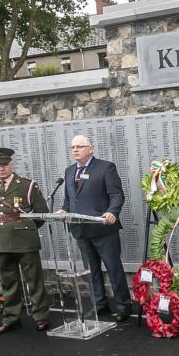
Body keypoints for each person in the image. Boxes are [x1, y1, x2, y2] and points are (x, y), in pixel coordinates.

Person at [0, 148, 50, 335]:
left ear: (11, 164)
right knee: (8, 282)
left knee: (33, 280)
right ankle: (11, 318)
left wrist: (24, 228)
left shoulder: (27, 185)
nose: (1, 169)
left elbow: (42, 214)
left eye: (5, 165)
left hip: (24, 239)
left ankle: (40, 316)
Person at [59, 135, 132, 322]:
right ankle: (99, 303)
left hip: (102, 228)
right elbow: (69, 199)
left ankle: (123, 305)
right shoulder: (69, 171)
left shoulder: (105, 167)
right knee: (90, 270)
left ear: (90, 149)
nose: (75, 150)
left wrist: (112, 211)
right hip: (80, 229)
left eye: (80, 146)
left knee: (113, 268)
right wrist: (64, 210)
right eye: (73, 147)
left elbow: (116, 194)